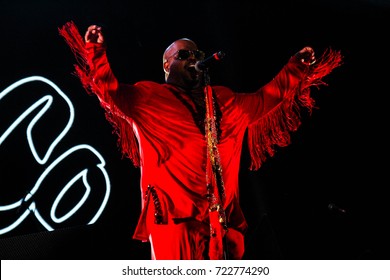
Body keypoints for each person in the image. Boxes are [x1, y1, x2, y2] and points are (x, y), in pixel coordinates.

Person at [58, 21, 342, 260]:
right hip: (174, 223)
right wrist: (96, 53)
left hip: (221, 226)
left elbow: (266, 98)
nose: (193, 58)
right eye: (183, 54)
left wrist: (295, 68)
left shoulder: (225, 100)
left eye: (197, 53)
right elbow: (110, 91)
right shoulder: (148, 98)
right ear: (167, 66)